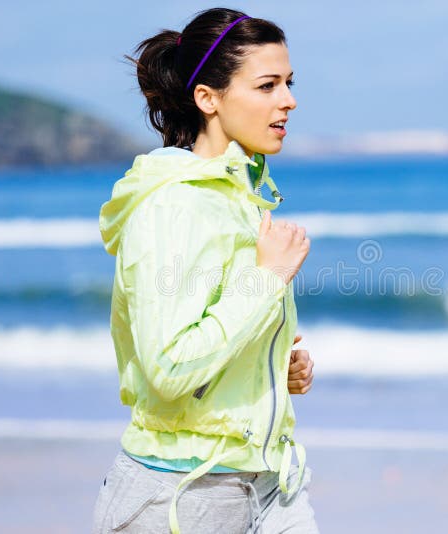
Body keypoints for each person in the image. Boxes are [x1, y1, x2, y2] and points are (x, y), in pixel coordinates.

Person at [92, 7, 318, 534]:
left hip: (270, 482)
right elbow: (169, 369)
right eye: (267, 85)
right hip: (177, 496)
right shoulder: (170, 206)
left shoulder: (241, 197)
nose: (288, 100)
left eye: (288, 83)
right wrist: (267, 279)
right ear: (207, 99)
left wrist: (271, 369)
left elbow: (216, 337)